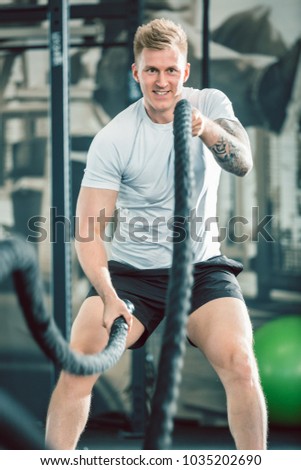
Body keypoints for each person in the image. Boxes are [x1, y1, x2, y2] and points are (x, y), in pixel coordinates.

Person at [45, 18, 268, 450]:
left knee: (240, 361)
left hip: (201, 268)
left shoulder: (210, 102)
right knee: (78, 364)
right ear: (136, 73)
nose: (161, 81)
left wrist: (206, 130)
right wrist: (107, 294)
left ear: (184, 72)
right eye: (151, 70)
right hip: (132, 274)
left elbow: (241, 161)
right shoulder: (115, 138)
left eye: (170, 71)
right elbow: (89, 230)